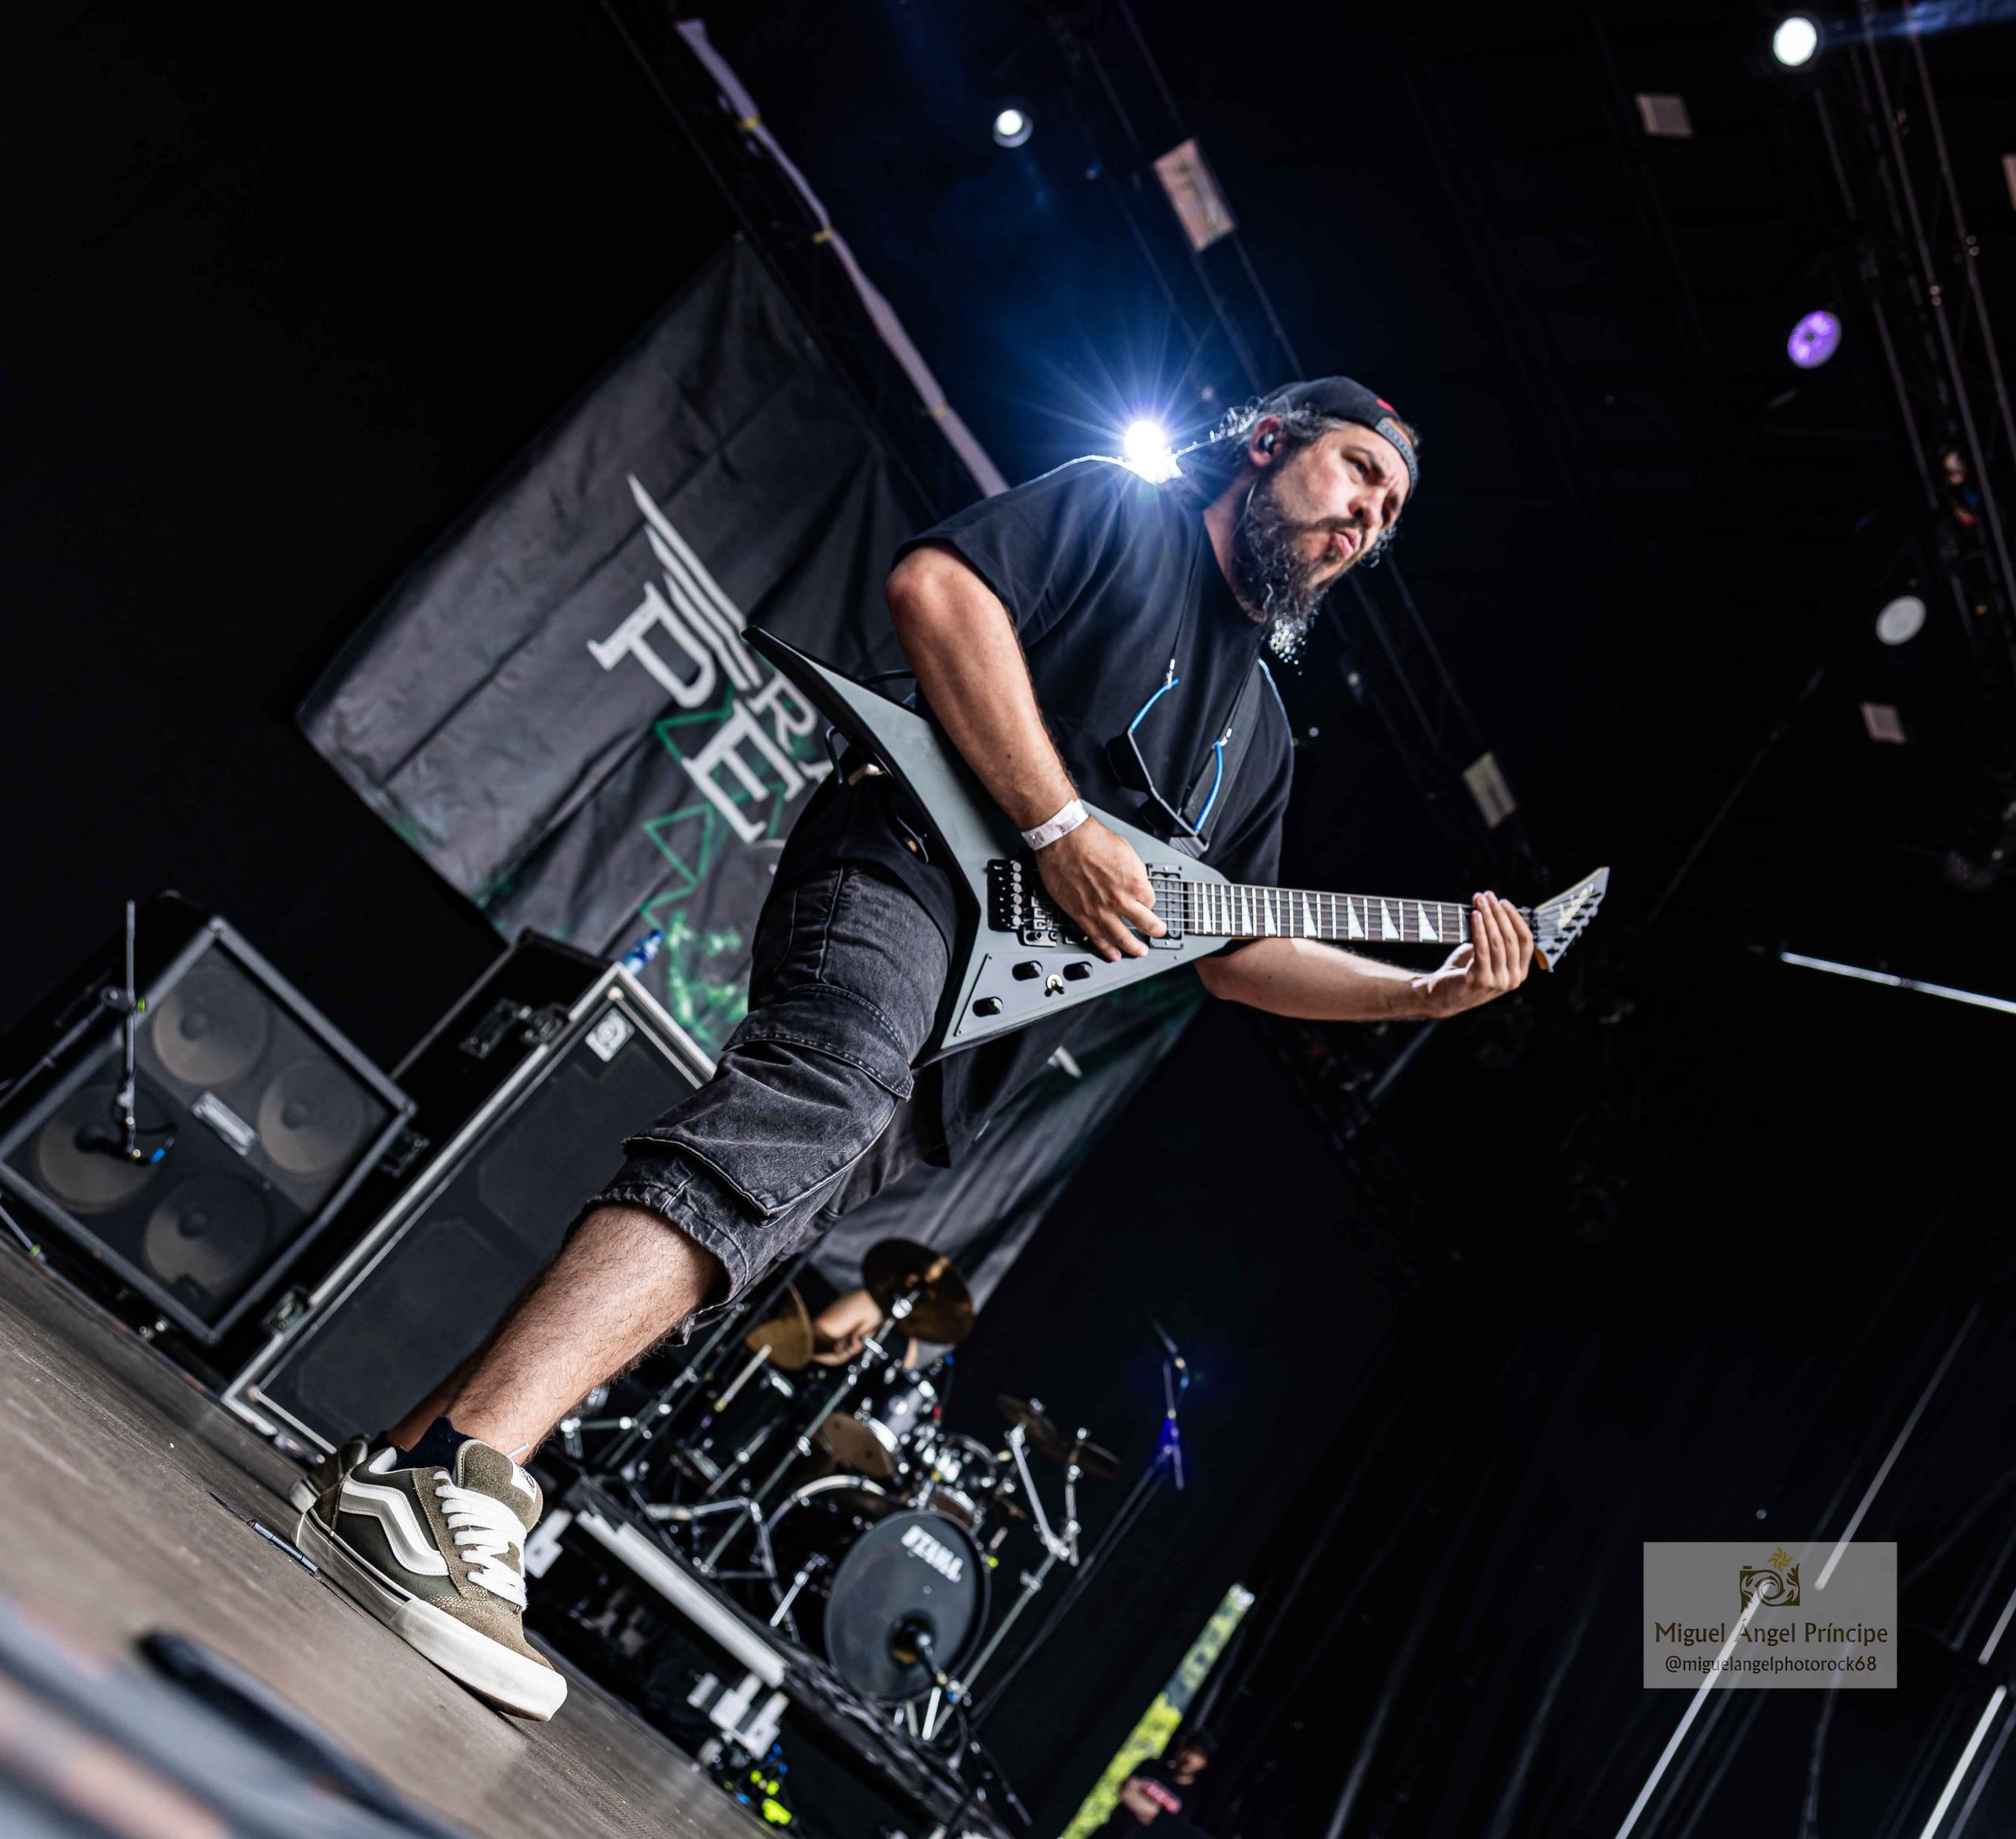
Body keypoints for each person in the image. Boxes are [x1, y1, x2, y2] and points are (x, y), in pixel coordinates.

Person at [294, 377, 1536, 1720]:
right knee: (809, 1107)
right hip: (898, 879)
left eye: (1391, 510)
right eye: (1359, 469)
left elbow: (1233, 955)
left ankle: (396, 1461)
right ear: (1270, 441)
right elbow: (939, 594)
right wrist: (1061, 827)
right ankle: (461, 1475)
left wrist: (1417, 998)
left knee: (757, 1227)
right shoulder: (1121, 519)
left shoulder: (1267, 744)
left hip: (979, 1041)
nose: (1368, 512)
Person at [1095, 1731, 1214, 1834]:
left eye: (1198, 1755)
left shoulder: (1192, 1798)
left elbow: (1168, 1829)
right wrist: (1157, 1815)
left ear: (1204, 1763)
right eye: (1189, 1749)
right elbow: (1126, 1793)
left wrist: (1140, 1804)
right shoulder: (1152, 1767)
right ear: (1181, 1746)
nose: (1190, 1758)